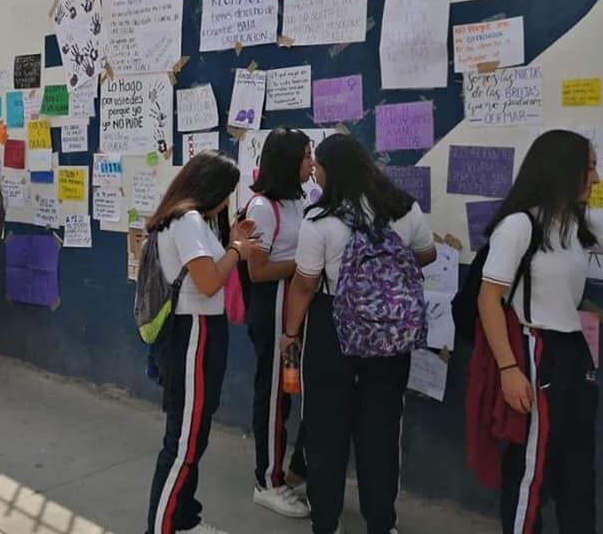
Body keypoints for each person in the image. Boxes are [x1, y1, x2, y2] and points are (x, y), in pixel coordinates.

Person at [281, 134, 436, 534]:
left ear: (333, 171)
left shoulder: (320, 220)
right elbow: (427, 254)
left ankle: (327, 522)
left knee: (325, 432)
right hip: (390, 337)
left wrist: (290, 333)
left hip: (334, 330)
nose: (313, 169)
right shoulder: (404, 209)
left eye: (318, 164)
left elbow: (304, 284)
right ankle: (381, 524)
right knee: (381, 433)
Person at [476, 130, 603, 534]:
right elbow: (489, 301)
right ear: (563, 170)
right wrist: (509, 370)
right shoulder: (519, 226)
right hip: (534, 351)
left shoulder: (581, 223)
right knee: (532, 468)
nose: (595, 178)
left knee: (578, 466)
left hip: (574, 351)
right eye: (589, 167)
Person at [145, 150, 256, 534]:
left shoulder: (196, 221)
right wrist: (237, 252)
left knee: (195, 433)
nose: (228, 201)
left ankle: (184, 519)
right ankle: (162, 527)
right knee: (183, 443)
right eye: (227, 192)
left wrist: (231, 242)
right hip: (193, 332)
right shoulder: (188, 220)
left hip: (203, 329)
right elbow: (209, 281)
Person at [243, 128, 312, 518]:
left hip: (298, 307)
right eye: (305, 156)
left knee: (293, 389)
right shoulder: (261, 209)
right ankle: (267, 481)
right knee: (274, 395)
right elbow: (258, 271)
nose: (311, 163)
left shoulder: (299, 202)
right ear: (288, 162)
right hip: (274, 309)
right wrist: (308, 264)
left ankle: (294, 467)